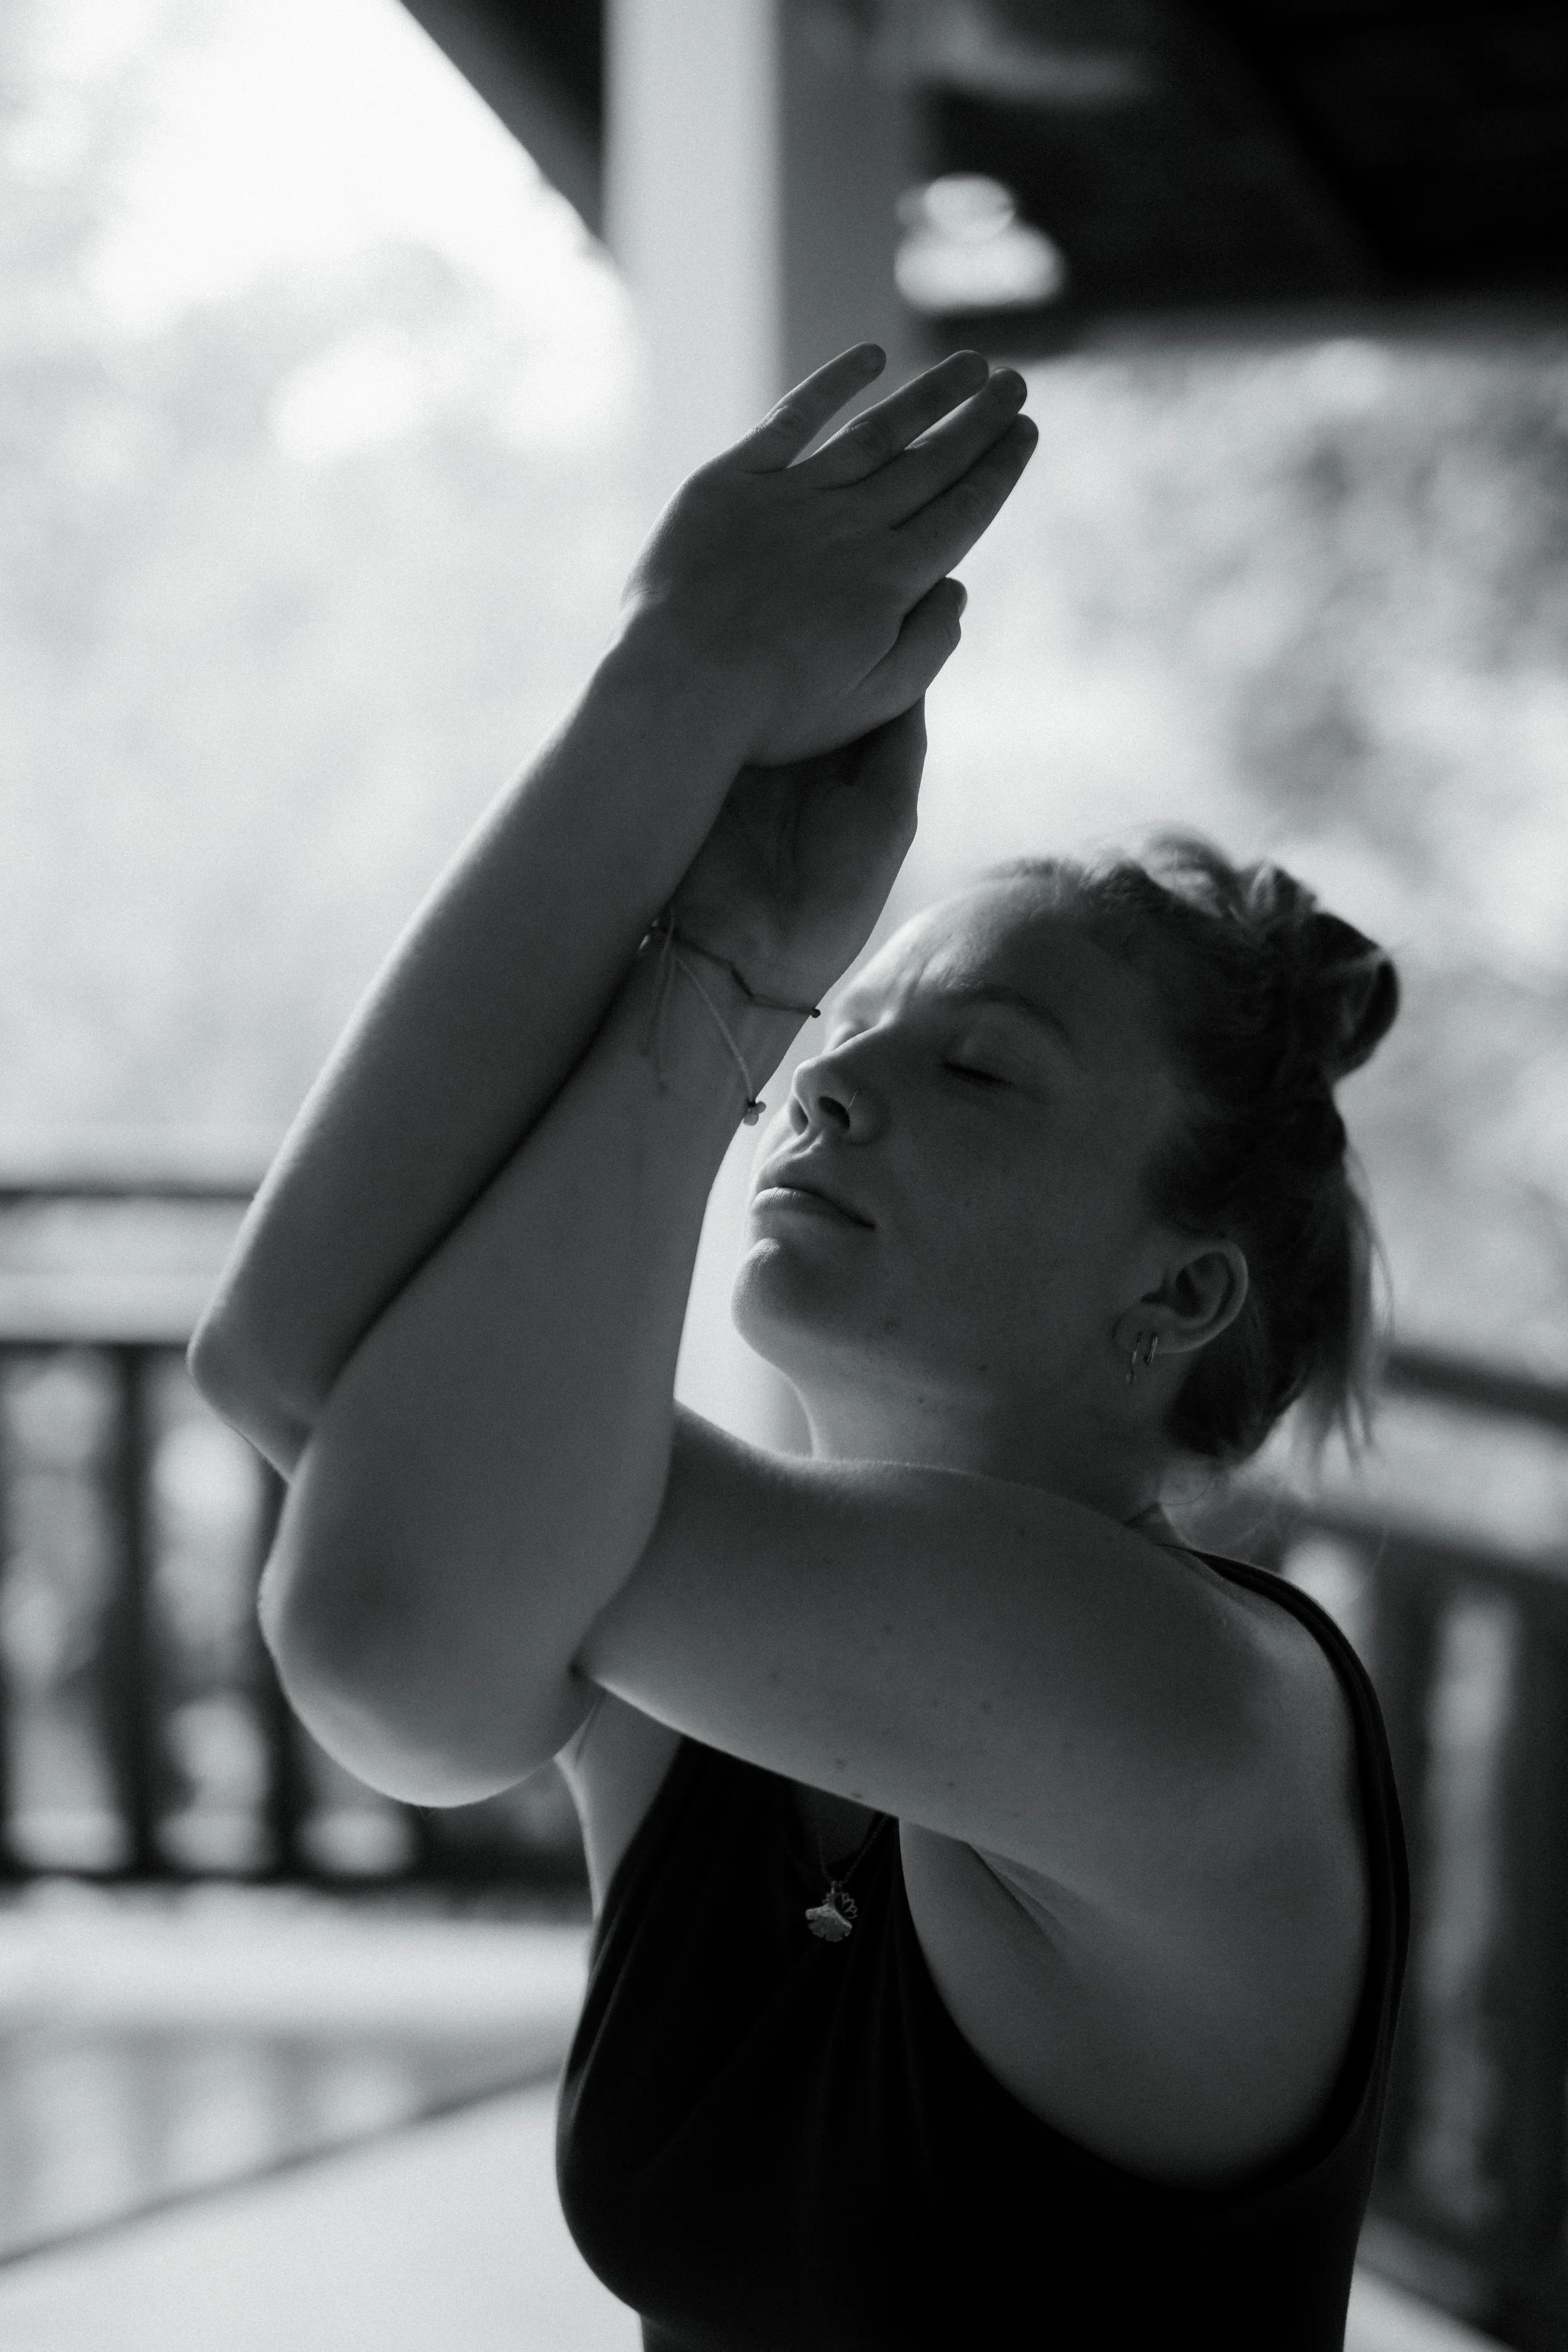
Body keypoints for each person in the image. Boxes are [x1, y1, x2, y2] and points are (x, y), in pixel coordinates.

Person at [189, 343, 1409, 2350]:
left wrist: (720, 893)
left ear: (1180, 1293)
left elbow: (389, 1570)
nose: (830, 1085)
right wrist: (669, 722)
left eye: (981, 1066)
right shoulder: (700, 1639)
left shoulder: (1191, 1702)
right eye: (841, 1026)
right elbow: (292, 1370)